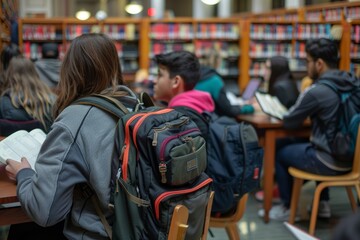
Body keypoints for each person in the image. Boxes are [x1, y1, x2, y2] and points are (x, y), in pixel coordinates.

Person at [5, 33, 127, 239]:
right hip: (137, 225)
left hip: (102, 233)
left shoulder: (75, 118)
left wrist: (24, 175)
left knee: (26, 228)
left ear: (71, 71)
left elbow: (44, 212)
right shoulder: (134, 104)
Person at [258, 38, 360, 221]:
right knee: (315, 143)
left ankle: (288, 207)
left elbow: (289, 121)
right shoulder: (352, 83)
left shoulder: (318, 90)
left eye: (308, 62)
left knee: (281, 150)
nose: (306, 67)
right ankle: (323, 204)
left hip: (329, 160)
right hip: (353, 159)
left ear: (319, 63)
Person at [153, 51, 215, 135]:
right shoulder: (195, 107)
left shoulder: (180, 118)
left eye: (160, 75)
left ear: (176, 82)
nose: (155, 81)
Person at [0, 57, 55, 132]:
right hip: (44, 143)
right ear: (35, 73)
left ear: (9, 75)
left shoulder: (3, 102)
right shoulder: (52, 100)